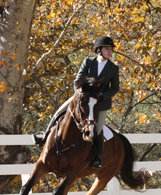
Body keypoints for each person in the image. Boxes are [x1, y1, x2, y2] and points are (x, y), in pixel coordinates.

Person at [33, 36, 120, 169]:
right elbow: (77, 81)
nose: (110, 51)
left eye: (111, 49)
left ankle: (98, 156)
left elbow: (114, 88)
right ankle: (44, 137)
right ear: (99, 50)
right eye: (107, 49)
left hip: (100, 103)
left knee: (98, 128)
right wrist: (81, 95)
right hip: (82, 99)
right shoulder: (88, 62)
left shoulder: (113, 68)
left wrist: (101, 96)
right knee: (58, 113)